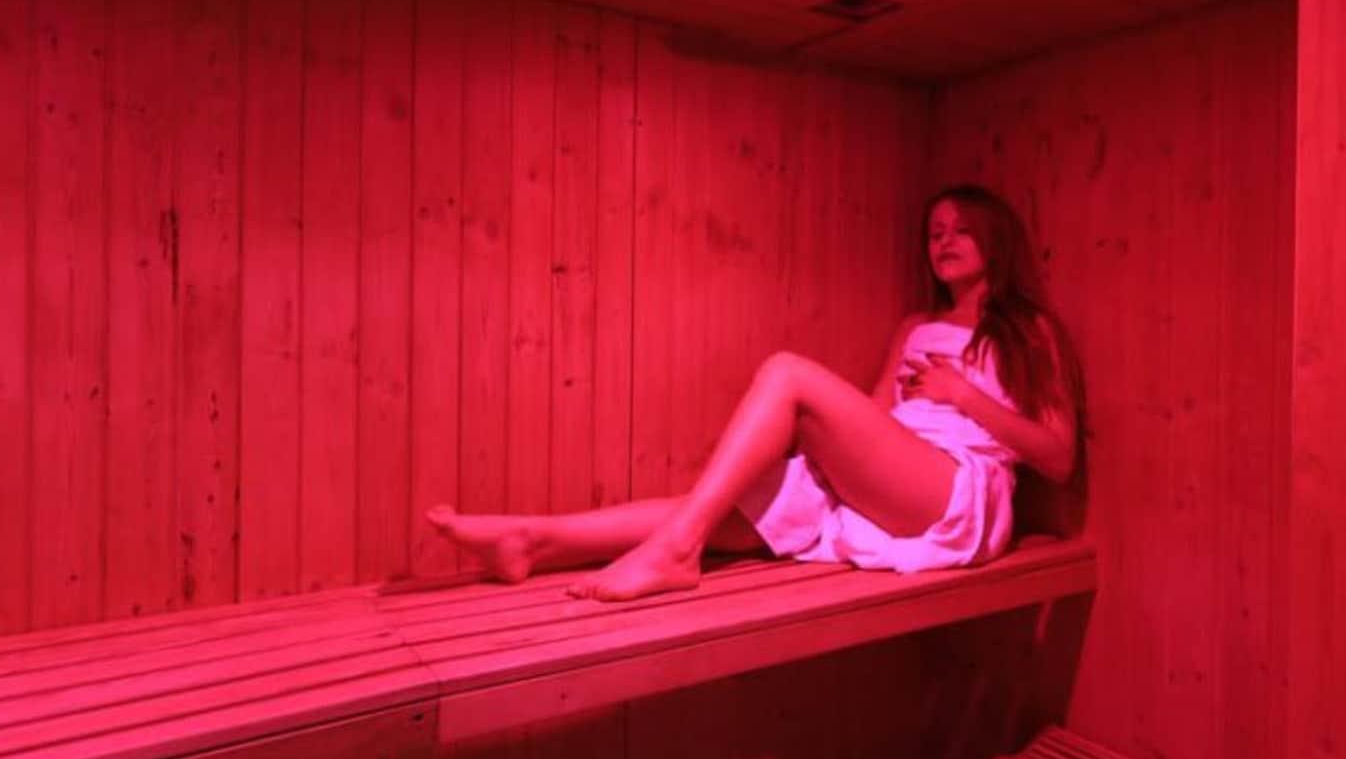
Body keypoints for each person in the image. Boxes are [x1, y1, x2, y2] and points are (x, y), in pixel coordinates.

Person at [427, 184, 1084, 601]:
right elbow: (876, 416)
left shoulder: (1031, 331)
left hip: (957, 491)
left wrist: (962, 396)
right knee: (712, 510)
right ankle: (532, 540)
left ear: (996, 241)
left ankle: (676, 552)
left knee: (788, 374)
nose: (943, 241)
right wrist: (827, 448)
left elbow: (1058, 457)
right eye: (934, 232)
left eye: (960, 229)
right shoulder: (915, 327)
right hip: (898, 476)